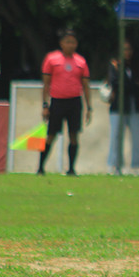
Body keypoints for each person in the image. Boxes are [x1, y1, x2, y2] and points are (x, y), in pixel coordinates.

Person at [37, 29, 92, 176]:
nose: (70, 45)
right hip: (57, 102)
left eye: (73, 42)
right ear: (61, 43)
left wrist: (89, 107)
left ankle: (71, 169)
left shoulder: (81, 61)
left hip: (74, 102)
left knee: (74, 135)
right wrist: (45, 105)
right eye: (67, 42)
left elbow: (86, 85)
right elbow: (46, 84)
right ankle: (41, 167)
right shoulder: (52, 59)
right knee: (51, 135)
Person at [106, 40, 139, 175]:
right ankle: (115, 166)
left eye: (129, 50)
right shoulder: (114, 64)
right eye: (124, 50)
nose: (127, 53)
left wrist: (132, 85)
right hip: (118, 107)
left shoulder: (136, 65)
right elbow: (116, 83)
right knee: (116, 136)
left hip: (135, 105)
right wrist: (133, 85)